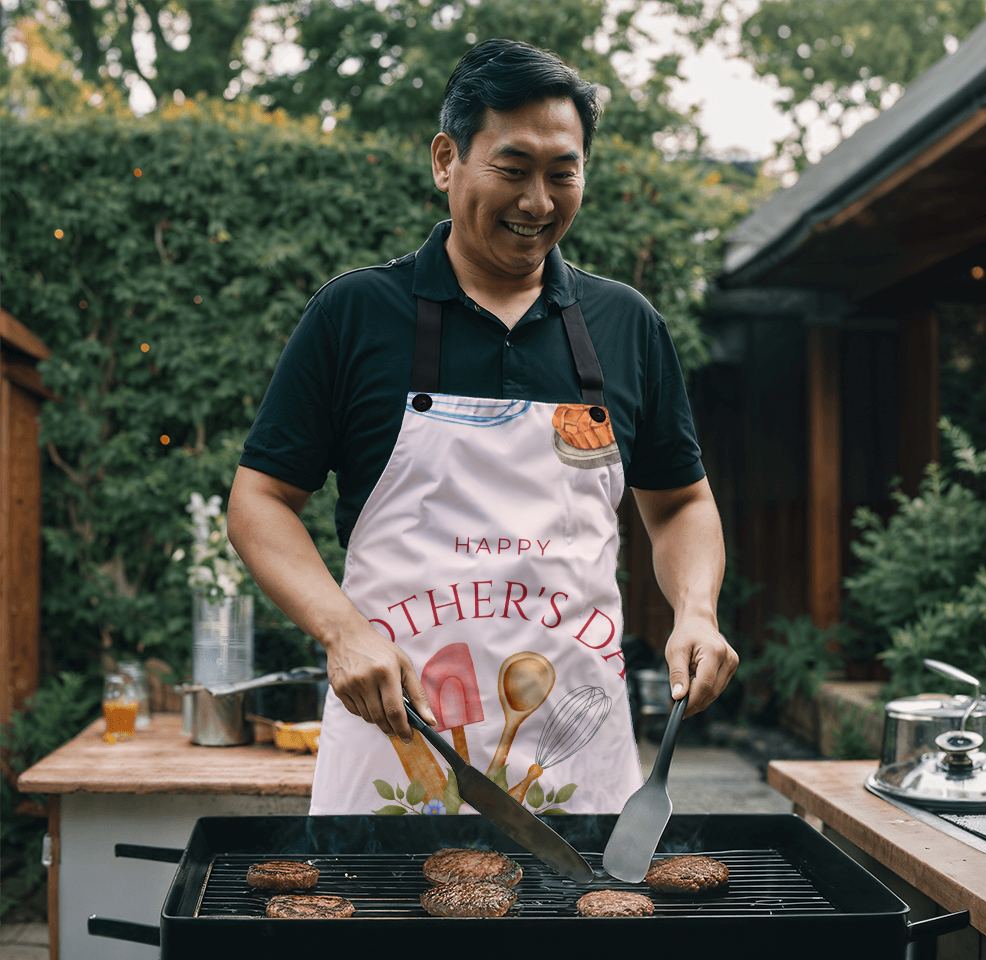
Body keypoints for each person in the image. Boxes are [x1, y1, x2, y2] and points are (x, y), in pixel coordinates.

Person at [228, 39, 738, 816]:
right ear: (446, 160)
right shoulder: (355, 315)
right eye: (513, 167)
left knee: (579, 935)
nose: (539, 200)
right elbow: (260, 500)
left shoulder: (625, 325)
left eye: (562, 172)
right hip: (394, 739)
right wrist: (342, 633)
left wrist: (695, 610)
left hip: (578, 743)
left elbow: (679, 504)